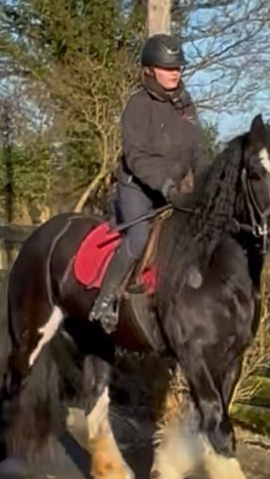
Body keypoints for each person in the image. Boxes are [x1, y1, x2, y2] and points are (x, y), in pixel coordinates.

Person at [88, 33, 209, 333]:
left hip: (174, 187)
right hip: (138, 187)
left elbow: (197, 149)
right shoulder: (137, 106)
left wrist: (207, 184)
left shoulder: (184, 104)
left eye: (178, 67)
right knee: (139, 236)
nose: (175, 72)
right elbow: (137, 157)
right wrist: (165, 186)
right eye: (168, 67)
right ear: (149, 69)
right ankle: (106, 298)